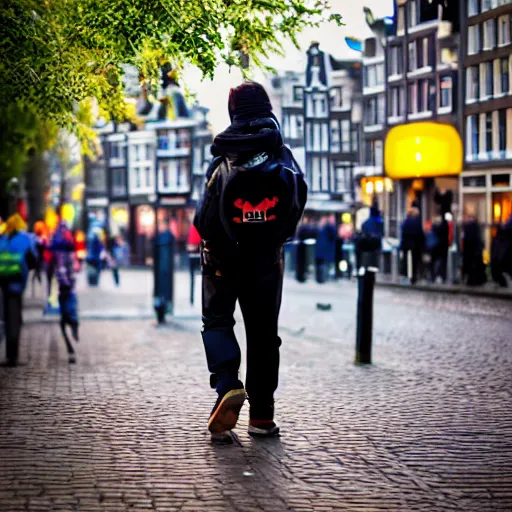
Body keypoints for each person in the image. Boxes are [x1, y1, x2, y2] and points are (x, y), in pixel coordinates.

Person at [194, 81, 307, 439]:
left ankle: (228, 384)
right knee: (263, 334)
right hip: (266, 261)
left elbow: (203, 220)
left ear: (233, 112)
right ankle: (262, 416)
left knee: (216, 320)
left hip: (222, 261)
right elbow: (297, 202)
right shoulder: (281, 155)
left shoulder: (222, 157)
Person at [0, 214, 38, 366]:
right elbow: (33, 259)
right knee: (14, 318)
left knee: (7, 316)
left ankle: (9, 353)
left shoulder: (2, 238)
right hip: (17, 281)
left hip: (3, 280)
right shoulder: (25, 239)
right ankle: (12, 355)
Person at [50, 221, 79, 362]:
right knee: (68, 316)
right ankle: (71, 345)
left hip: (66, 287)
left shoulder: (59, 244)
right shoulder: (65, 244)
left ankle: (71, 345)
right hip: (66, 287)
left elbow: (60, 267)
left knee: (66, 317)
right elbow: (63, 267)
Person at [400, 207, 425, 284]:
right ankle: (414, 278)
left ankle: (405, 276)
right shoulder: (417, 222)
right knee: (415, 262)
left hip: (406, 245)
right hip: (415, 245)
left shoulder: (406, 222)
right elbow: (420, 234)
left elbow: (403, 232)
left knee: (405, 261)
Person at [461, 210, 487, 286]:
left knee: (472, 266)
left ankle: (473, 280)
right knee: (474, 266)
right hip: (474, 251)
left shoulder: (471, 227)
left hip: (472, 251)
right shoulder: (474, 227)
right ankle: (475, 280)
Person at [314, 215, 336, 283]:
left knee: (321, 264)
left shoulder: (320, 228)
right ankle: (322, 278)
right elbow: (334, 235)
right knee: (323, 264)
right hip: (325, 250)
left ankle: (320, 278)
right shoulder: (328, 227)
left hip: (320, 250)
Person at [428, 215, 449, 283]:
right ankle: (440, 276)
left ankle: (433, 276)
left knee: (433, 263)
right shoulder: (444, 228)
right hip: (441, 248)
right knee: (441, 262)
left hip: (434, 247)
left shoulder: (433, 228)